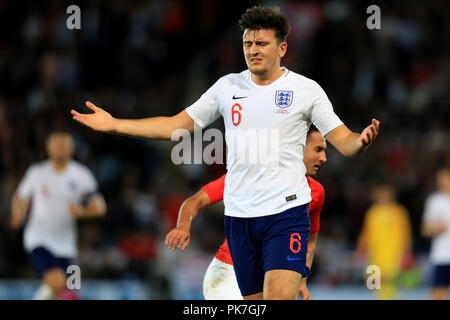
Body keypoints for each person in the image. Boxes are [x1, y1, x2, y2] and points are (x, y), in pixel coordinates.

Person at [71, 6, 379, 299]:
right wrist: (114, 124)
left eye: (262, 43)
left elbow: (344, 141)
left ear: (282, 49)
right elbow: (175, 125)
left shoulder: (306, 90)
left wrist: (360, 142)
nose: (253, 50)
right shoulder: (226, 87)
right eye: (248, 43)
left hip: (286, 214)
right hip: (240, 219)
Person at [165, 126, 326, 300]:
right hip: (229, 273)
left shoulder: (316, 192)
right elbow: (195, 201)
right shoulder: (250, 176)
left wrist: (301, 279)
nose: (323, 158)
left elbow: (308, 240)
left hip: (273, 276)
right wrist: (182, 226)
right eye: (318, 150)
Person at [10, 131, 107, 300]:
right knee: (58, 281)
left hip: (66, 243)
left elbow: (100, 207)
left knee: (66, 290)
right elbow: (20, 196)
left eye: (65, 145)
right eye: (57, 145)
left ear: (72, 149)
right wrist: (18, 212)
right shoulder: (37, 173)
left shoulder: (81, 175)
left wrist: (83, 211)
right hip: (38, 238)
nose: (61, 149)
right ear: (48, 148)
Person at [355, 184, 412, 300]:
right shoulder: (373, 213)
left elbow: (405, 232)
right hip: (376, 252)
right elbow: (366, 233)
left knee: (389, 279)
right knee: (374, 281)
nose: (383, 197)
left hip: (394, 252)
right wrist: (360, 249)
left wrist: (407, 251)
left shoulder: (398, 212)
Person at [421, 167, 450, 300]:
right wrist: (437, 229)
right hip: (442, 255)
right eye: (441, 179)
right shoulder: (434, 201)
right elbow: (425, 230)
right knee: (437, 294)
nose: (444, 182)